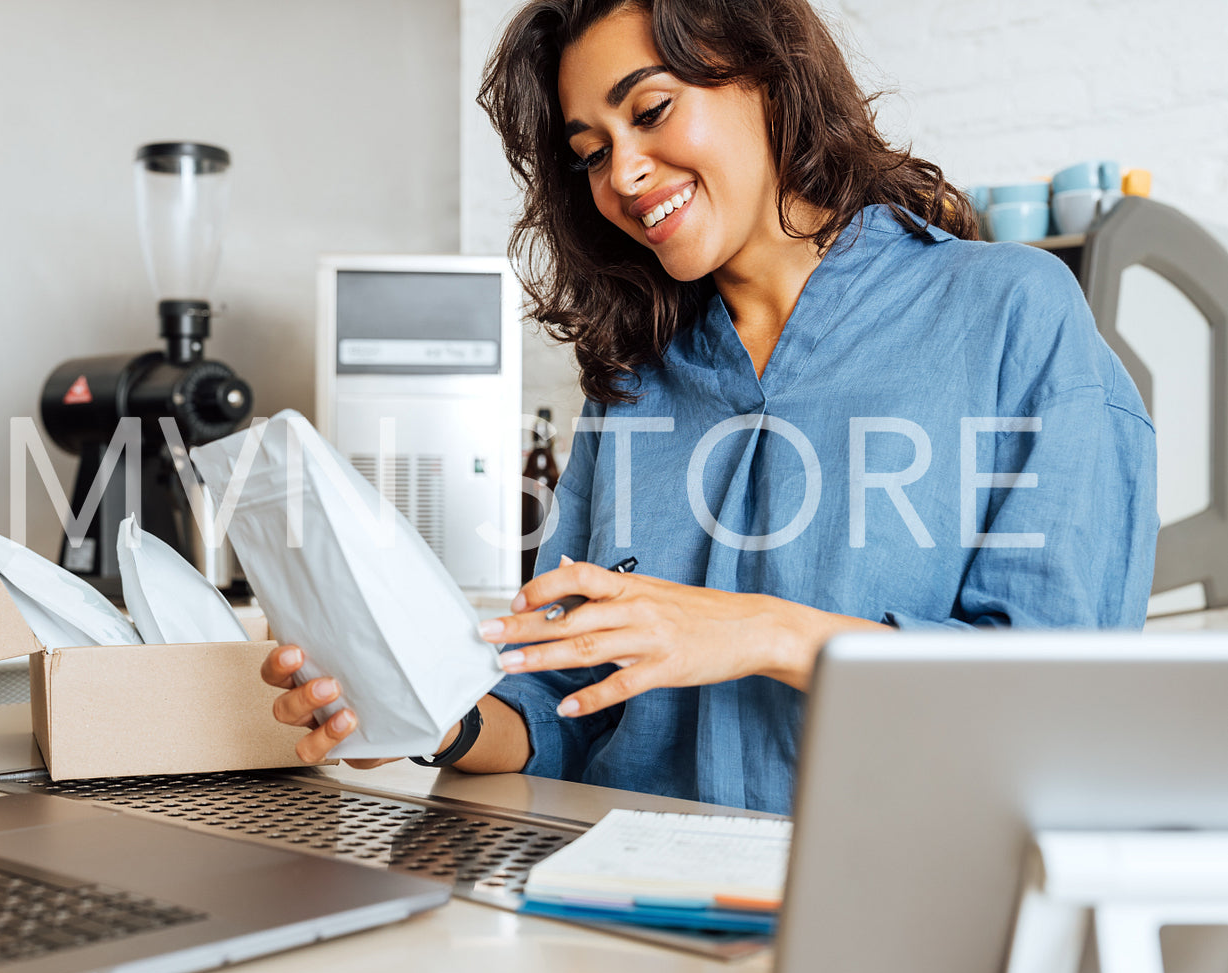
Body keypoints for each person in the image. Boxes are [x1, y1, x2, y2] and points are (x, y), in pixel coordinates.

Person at [259, 0, 1158, 814]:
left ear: (767, 71)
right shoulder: (635, 379)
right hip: (614, 898)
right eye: (591, 153)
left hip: (887, 894)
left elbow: (1061, 697)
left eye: (649, 111)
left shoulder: (1010, 313)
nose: (625, 174)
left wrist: (767, 633)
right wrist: (414, 709)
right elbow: (559, 704)